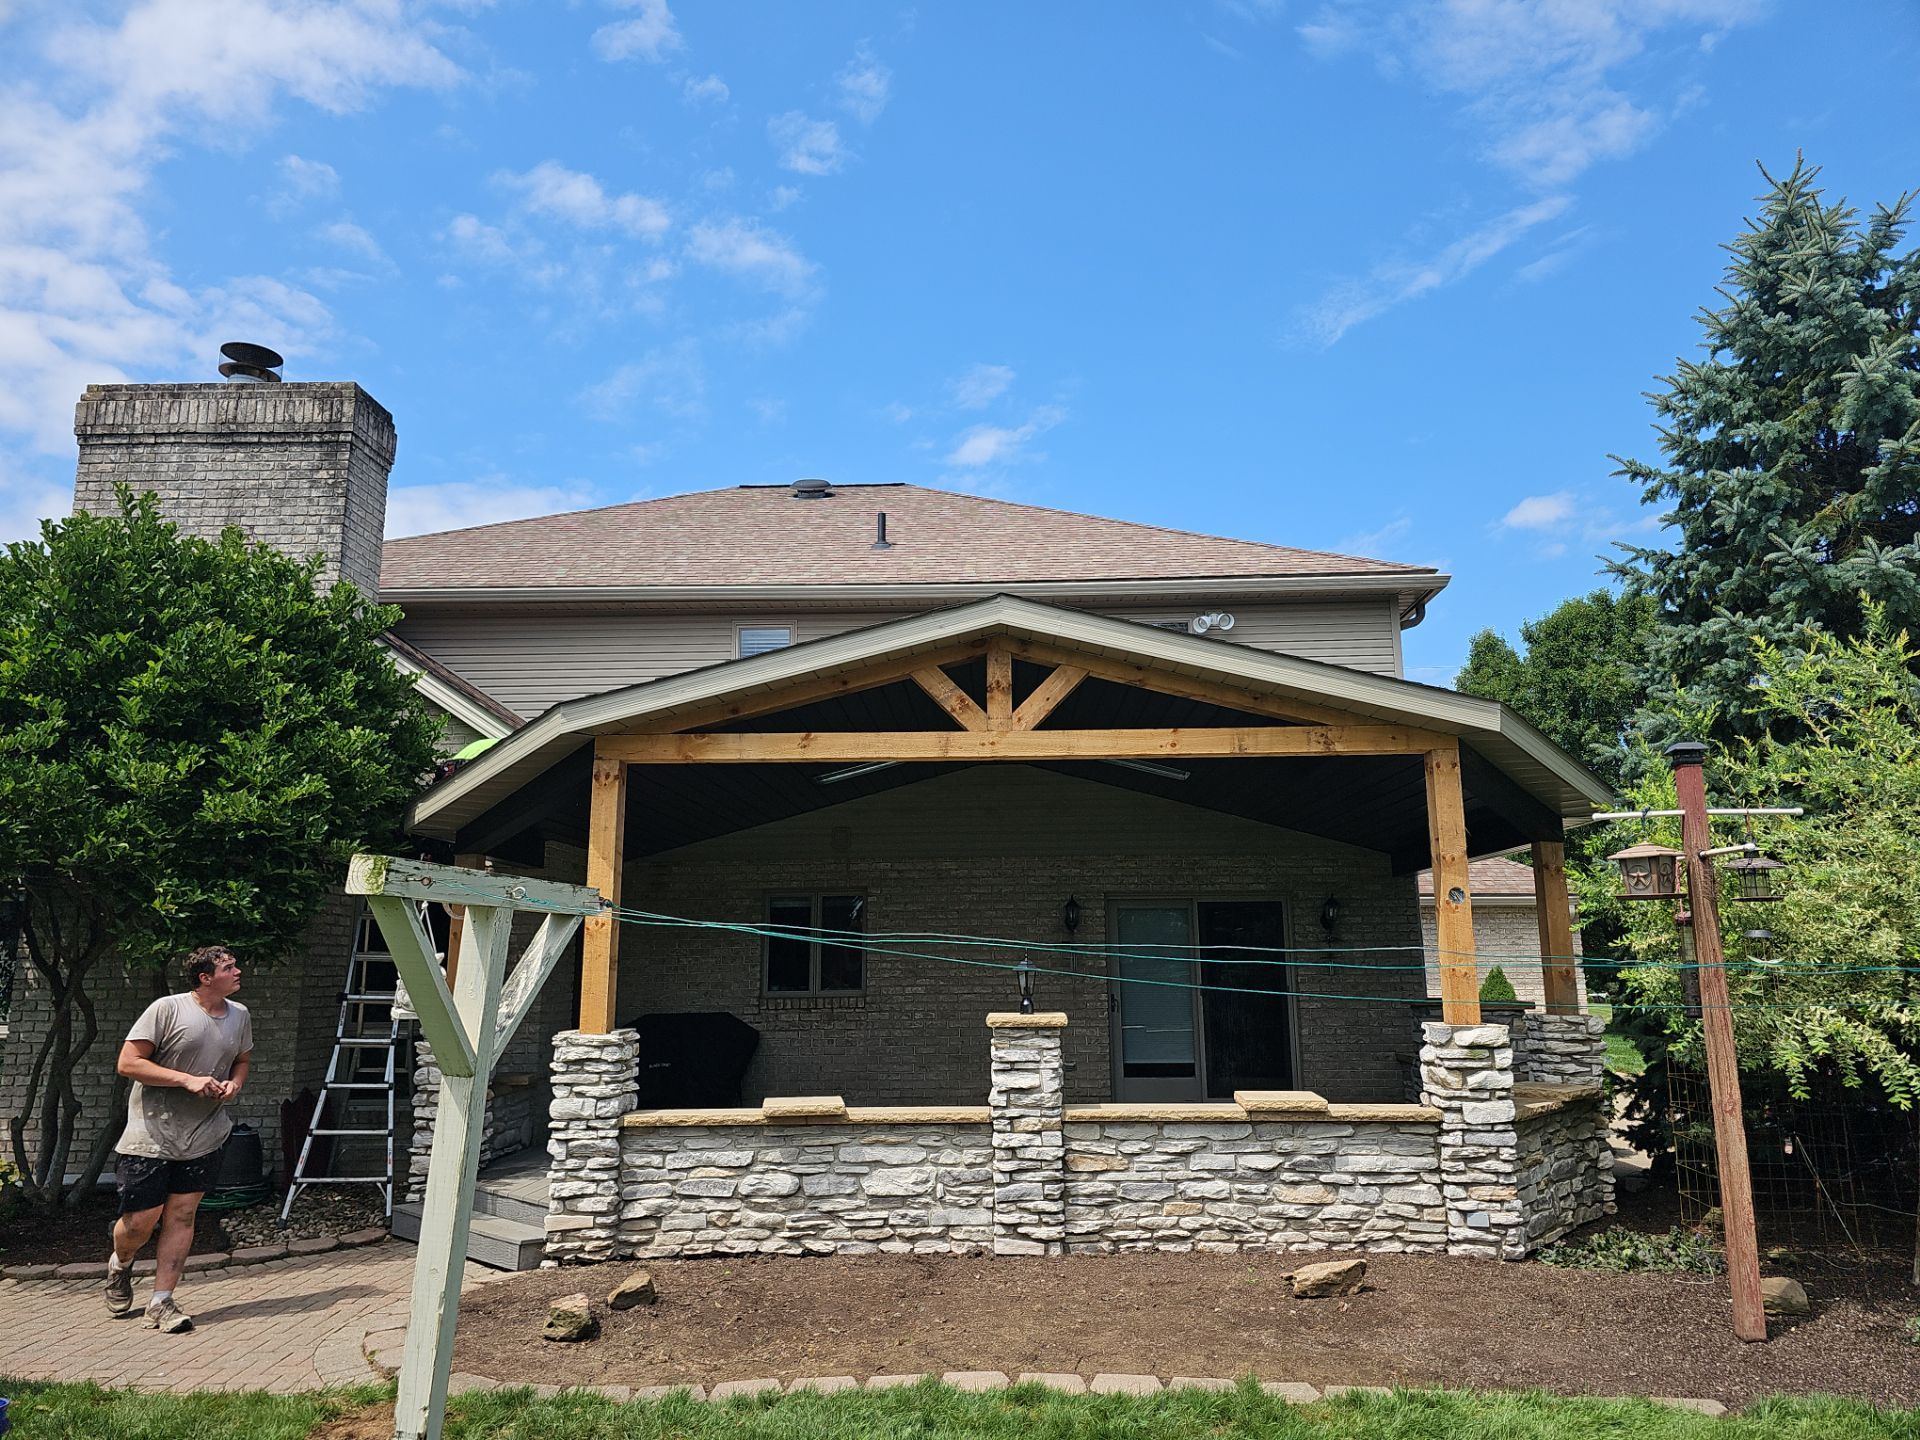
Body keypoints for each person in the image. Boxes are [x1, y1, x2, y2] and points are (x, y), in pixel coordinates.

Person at [105, 945, 252, 1332]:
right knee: (139, 1222)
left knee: (183, 1215)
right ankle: (121, 1263)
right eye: (228, 967)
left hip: (205, 1133)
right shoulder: (167, 1010)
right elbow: (128, 1063)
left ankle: (161, 1301)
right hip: (151, 1134)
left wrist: (235, 1084)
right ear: (205, 978)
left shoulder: (239, 1015)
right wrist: (187, 1080)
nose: (237, 971)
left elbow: (242, 1060)